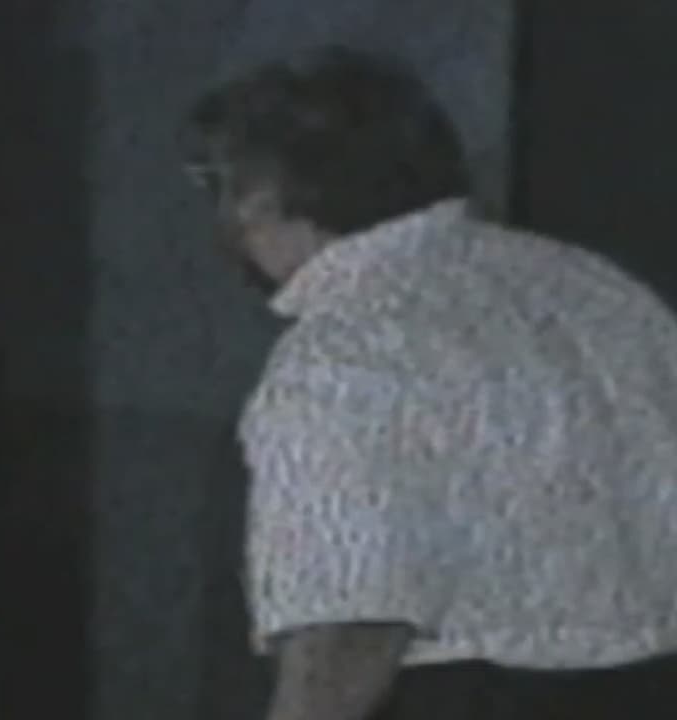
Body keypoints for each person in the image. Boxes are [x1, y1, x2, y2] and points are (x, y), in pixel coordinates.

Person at [179, 46, 677, 720]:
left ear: (260, 198)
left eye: (218, 188)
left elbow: (351, 630)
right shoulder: (599, 291)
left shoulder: (342, 354)